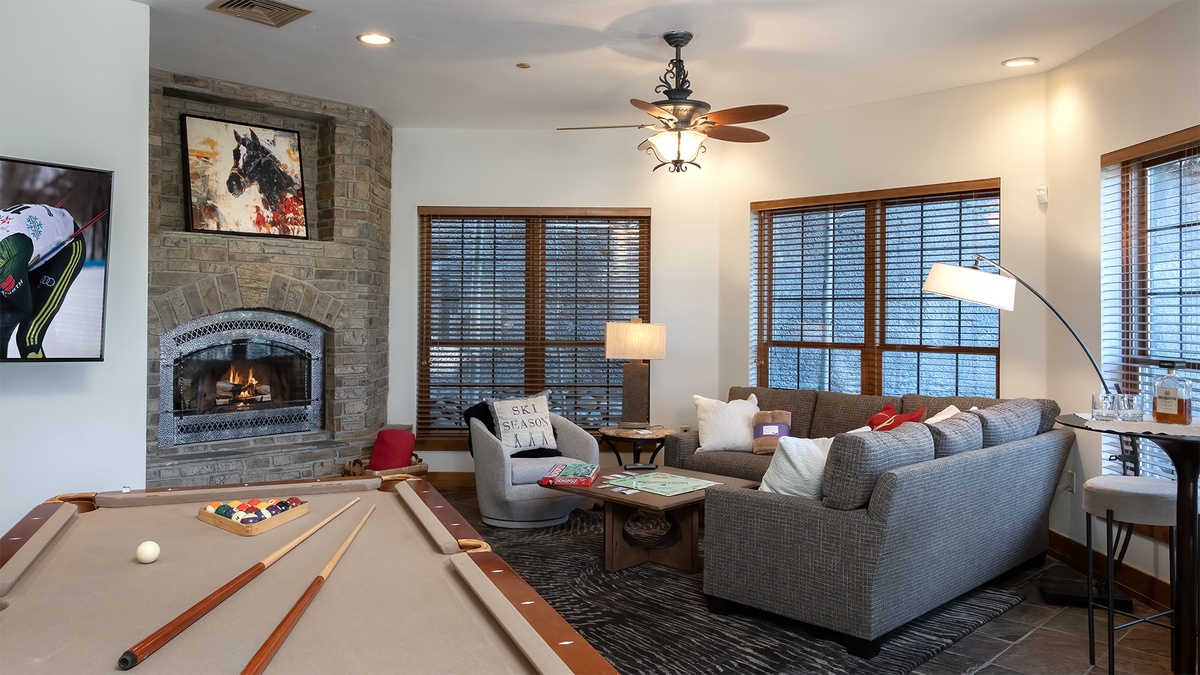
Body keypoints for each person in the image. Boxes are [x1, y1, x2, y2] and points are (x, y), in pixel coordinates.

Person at [0, 203, 87, 358]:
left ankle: (42, 374)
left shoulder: (6, 258)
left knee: (29, 337)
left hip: (66, 246)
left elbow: (21, 308)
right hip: (30, 245)